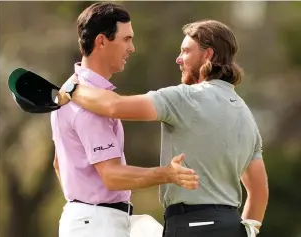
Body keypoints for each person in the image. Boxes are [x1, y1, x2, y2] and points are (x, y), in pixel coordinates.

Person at [57, 19, 269, 237]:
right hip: (232, 227)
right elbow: (259, 191)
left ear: (208, 55)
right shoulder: (246, 115)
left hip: (190, 227)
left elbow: (113, 106)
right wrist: (248, 231)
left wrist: (72, 88)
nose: (179, 59)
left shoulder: (185, 98)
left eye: (186, 51)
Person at [51, 3, 199, 237]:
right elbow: (112, 175)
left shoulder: (71, 91)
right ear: (101, 41)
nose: (132, 48)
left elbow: (60, 164)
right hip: (97, 224)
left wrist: (83, 205)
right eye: (126, 39)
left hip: (88, 220)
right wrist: (167, 174)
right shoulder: (90, 104)